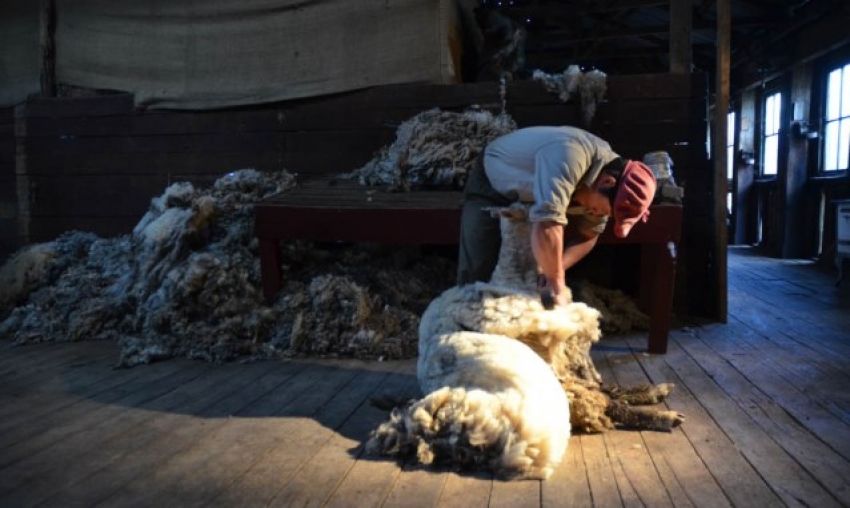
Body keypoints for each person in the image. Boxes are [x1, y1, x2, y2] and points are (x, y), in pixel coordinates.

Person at [457, 125, 657, 308]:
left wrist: (557, 268)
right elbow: (548, 223)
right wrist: (557, 284)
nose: (598, 215)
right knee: (477, 267)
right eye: (604, 211)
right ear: (607, 182)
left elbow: (588, 235)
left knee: (536, 274)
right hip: (495, 179)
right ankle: (464, 315)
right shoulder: (569, 154)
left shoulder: (610, 179)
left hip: (537, 194)